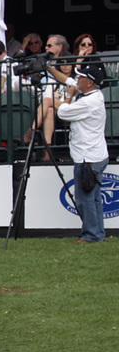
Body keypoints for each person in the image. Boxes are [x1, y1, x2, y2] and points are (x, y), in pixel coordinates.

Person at [55, 65, 108, 243]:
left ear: (90, 82)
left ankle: (91, 235)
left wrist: (68, 96)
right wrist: (47, 67)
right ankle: (97, 233)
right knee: (94, 199)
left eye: (80, 78)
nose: (77, 80)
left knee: (84, 200)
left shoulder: (88, 102)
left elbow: (62, 112)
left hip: (88, 157)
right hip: (95, 154)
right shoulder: (94, 95)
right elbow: (68, 80)